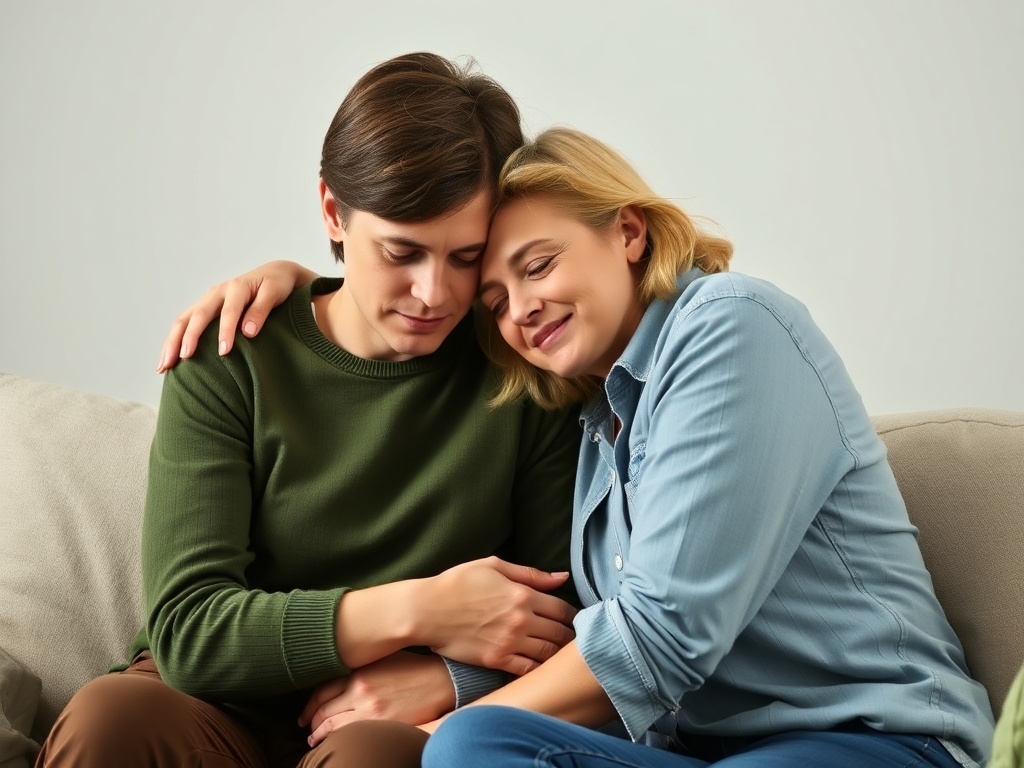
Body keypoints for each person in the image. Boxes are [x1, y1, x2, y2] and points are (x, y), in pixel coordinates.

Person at [195, 127, 996, 768]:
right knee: (483, 750)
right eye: (497, 301)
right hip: (703, 753)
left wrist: (446, 722)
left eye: (539, 265)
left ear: (628, 231)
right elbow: (576, 618)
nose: (522, 310)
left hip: (879, 742)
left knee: (464, 747)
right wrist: (306, 288)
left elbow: (660, 636)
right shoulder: (590, 421)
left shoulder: (730, 325)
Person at [34, 53, 583, 768]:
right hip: (210, 708)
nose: (433, 294)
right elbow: (189, 630)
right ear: (332, 209)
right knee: (112, 717)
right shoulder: (232, 354)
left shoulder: (524, 372)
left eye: (464, 256)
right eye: (402, 251)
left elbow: (561, 623)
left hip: (393, 720)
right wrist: (419, 610)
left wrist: (450, 676)